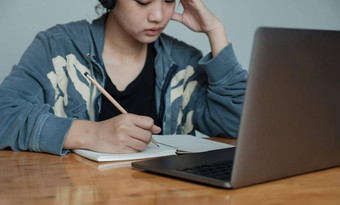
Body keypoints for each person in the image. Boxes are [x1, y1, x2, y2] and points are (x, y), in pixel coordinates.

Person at [0, 0, 247, 155]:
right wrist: (89, 134)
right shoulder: (57, 48)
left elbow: (238, 125)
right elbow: (3, 116)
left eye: (169, 0)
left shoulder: (184, 63)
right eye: (143, 1)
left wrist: (215, 32)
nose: (158, 15)